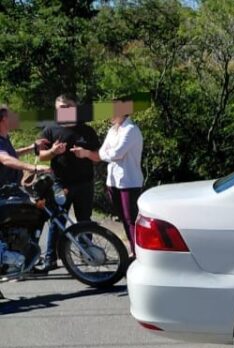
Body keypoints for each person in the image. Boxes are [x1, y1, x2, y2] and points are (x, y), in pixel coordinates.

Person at [36, 94, 101, 272]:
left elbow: (98, 157)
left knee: (84, 221)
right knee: (57, 220)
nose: (63, 111)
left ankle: (86, 255)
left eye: (67, 107)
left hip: (85, 183)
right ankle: (51, 259)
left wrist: (85, 153)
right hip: (60, 184)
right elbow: (41, 156)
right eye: (59, 108)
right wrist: (53, 152)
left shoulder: (87, 130)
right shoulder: (50, 130)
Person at [97, 100, 144, 254]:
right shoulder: (112, 130)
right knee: (123, 218)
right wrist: (108, 154)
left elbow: (117, 153)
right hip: (113, 181)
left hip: (129, 181)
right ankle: (133, 250)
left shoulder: (131, 130)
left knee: (131, 219)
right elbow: (102, 152)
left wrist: (108, 154)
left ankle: (138, 253)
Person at [0, 105, 50, 185]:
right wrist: (34, 168)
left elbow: (11, 154)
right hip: (5, 190)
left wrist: (32, 147)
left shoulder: (5, 138)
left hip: (14, 185)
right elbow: (6, 159)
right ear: (4, 119)